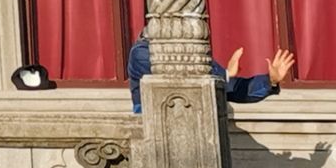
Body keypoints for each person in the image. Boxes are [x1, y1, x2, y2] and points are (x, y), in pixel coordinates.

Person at [126, 38, 296, 112]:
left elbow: (236, 89)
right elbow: (177, 69)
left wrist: (270, 81)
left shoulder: (194, 54)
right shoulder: (141, 52)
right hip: (155, 138)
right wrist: (225, 75)